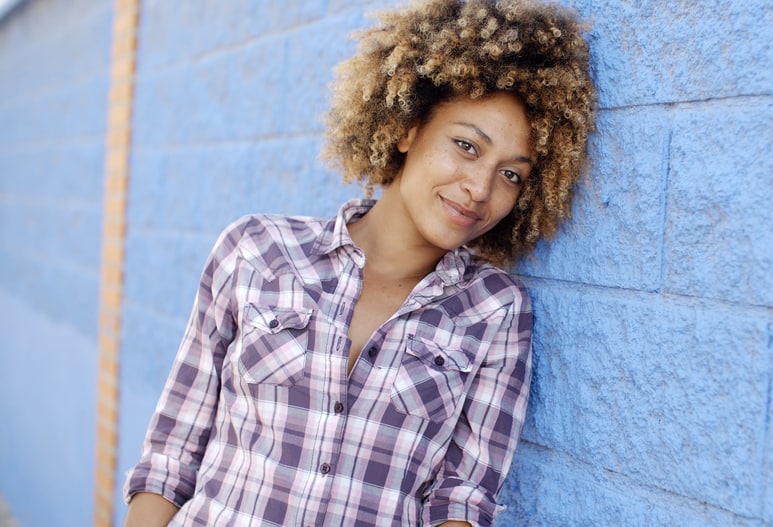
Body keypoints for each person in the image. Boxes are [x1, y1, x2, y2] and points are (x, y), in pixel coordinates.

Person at [122, 0, 595, 525]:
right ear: (407, 129)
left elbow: (462, 499)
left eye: (511, 175)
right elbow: (173, 451)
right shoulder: (256, 250)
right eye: (465, 146)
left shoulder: (494, 312)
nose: (479, 188)